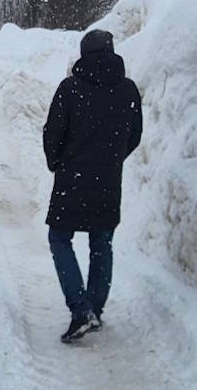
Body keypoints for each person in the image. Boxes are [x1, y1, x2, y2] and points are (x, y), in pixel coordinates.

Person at [42, 29, 142, 342]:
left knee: (59, 238)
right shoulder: (127, 90)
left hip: (72, 177)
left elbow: (53, 132)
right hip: (109, 179)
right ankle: (94, 309)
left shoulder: (70, 88)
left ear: (84, 54)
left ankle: (80, 308)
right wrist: (112, 159)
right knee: (101, 244)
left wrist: (56, 161)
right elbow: (135, 135)